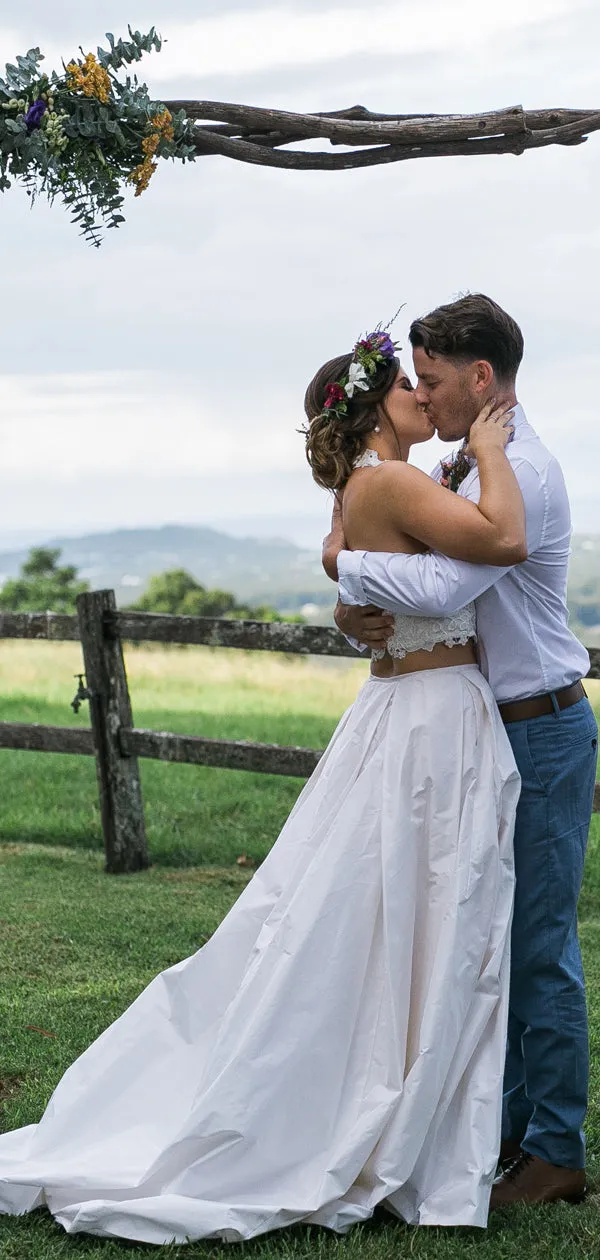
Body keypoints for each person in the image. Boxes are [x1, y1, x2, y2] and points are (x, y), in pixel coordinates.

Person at [0, 329, 522, 1243]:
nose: (419, 391)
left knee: (388, 912)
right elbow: (499, 540)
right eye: (404, 382)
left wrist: (344, 569)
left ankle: (400, 1098)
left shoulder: (365, 489)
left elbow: (351, 556)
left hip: (405, 710)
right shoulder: (389, 480)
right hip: (430, 714)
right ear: (368, 405)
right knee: (434, 908)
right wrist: (484, 452)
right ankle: (397, 1116)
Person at [325, 294, 598, 1210]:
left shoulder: (521, 472)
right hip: (492, 723)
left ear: (482, 379)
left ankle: (557, 1149)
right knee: (491, 928)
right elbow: (426, 589)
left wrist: (346, 570)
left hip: (544, 724)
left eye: (435, 381)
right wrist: (352, 603)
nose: (428, 397)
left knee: (539, 940)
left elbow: (447, 577)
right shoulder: (469, 465)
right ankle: (512, 1131)